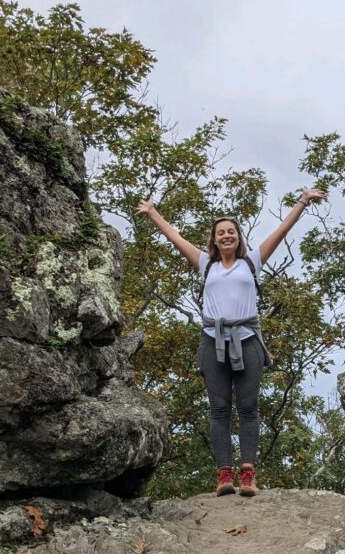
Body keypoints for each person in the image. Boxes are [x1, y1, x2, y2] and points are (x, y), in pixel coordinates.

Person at [136, 188, 327, 496]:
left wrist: (303, 201)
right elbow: (175, 238)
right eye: (221, 233)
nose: (226, 236)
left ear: (238, 237)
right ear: (214, 240)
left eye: (231, 232)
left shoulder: (251, 262)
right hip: (213, 341)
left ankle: (248, 474)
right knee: (219, 409)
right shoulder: (205, 264)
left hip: (248, 340)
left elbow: (281, 231)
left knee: (249, 407)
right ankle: (224, 475)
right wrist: (153, 212)